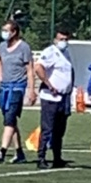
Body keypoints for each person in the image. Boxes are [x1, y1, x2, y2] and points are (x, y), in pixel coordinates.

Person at [0, 19, 36, 165]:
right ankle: (19, 153)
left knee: (9, 119)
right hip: (4, 87)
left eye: (6, 30)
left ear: (14, 32)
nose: (4, 33)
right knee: (10, 120)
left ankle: (1, 151)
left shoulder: (24, 47)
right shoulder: (2, 46)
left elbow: (30, 69)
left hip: (17, 87)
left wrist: (31, 90)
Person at [34, 28, 74, 169]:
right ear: (55, 40)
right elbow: (38, 67)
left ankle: (57, 158)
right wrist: (49, 84)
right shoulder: (50, 52)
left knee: (59, 130)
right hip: (51, 97)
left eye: (65, 39)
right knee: (47, 129)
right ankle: (41, 157)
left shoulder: (66, 53)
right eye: (61, 39)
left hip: (63, 97)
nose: (63, 42)